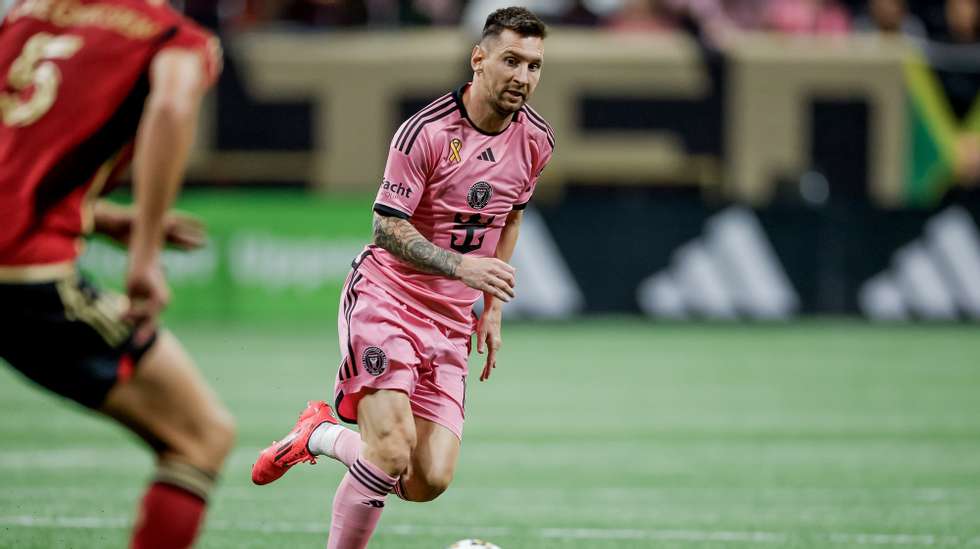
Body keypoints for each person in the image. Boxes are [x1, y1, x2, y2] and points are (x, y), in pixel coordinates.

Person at [251, 6, 554, 548]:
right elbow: (387, 227)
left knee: (427, 480)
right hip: (387, 299)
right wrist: (462, 266)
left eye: (533, 66)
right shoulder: (426, 132)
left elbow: (511, 214)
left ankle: (317, 434)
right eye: (511, 60)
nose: (522, 77)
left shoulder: (536, 141)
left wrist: (492, 307)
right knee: (389, 451)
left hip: (451, 320)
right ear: (478, 59)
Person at [0, 1, 235, 547]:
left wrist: (103, 218)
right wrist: (145, 255)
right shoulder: (173, 38)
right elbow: (173, 107)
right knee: (201, 436)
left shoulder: (27, 17)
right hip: (20, 275)